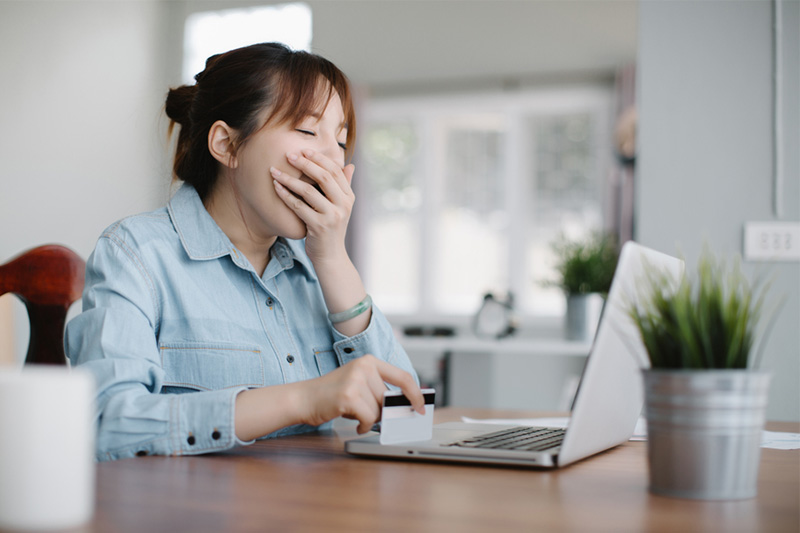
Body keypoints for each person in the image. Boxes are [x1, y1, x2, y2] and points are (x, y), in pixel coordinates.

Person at [65, 42, 425, 462]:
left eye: (341, 140)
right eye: (308, 131)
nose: (330, 158)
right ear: (227, 145)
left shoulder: (318, 268)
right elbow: (107, 426)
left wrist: (332, 257)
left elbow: (410, 416)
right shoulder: (136, 254)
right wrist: (302, 400)